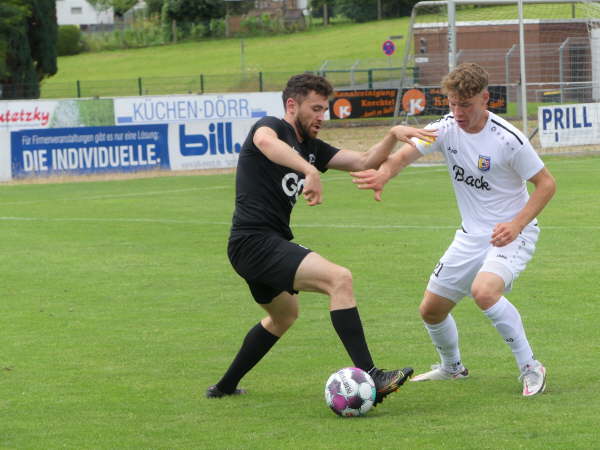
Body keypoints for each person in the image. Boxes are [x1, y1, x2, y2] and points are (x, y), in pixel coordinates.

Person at [206, 73, 437, 404]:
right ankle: (371, 376)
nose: (321, 117)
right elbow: (266, 143)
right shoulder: (272, 126)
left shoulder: (312, 148)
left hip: (259, 246)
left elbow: (362, 161)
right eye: (315, 109)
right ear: (292, 105)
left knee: (283, 317)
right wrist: (310, 171)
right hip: (254, 242)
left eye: (324, 109)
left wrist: (392, 135)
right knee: (339, 279)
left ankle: (224, 387)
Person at [351, 63, 556, 397]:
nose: (458, 112)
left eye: (466, 104)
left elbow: (546, 184)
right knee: (430, 310)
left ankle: (530, 366)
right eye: (452, 104)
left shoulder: (508, 139)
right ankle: (452, 368)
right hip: (470, 236)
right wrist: (383, 175)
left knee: (484, 291)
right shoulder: (444, 129)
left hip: (512, 233)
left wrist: (517, 223)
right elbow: (402, 157)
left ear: (485, 99)